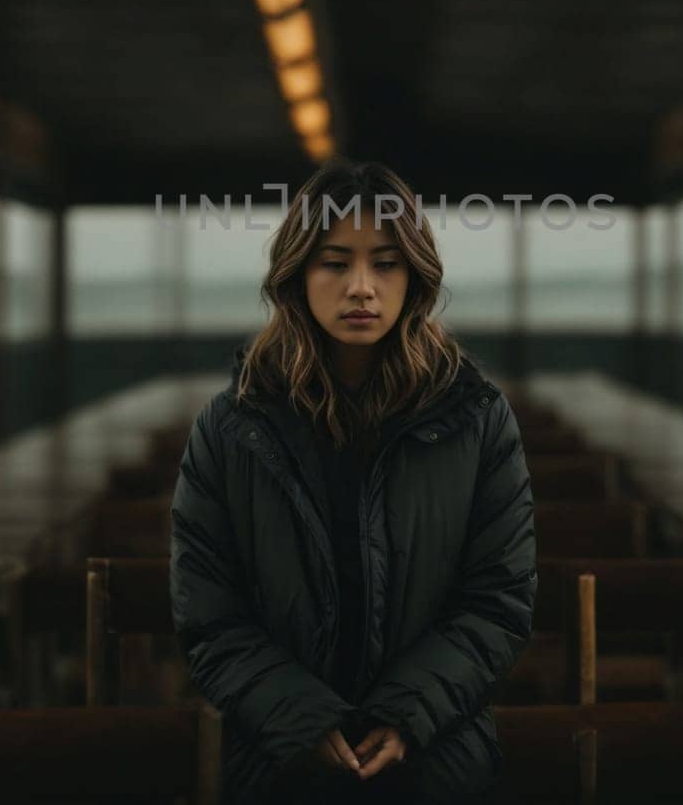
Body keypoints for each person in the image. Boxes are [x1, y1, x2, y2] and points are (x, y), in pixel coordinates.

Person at [169, 160, 537, 803]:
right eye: (335, 263)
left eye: (386, 263)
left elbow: (498, 601)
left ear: (415, 275)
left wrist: (407, 716)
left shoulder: (478, 418)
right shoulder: (230, 428)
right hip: (274, 747)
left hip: (437, 742)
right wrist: (301, 720)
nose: (361, 288)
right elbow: (209, 615)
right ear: (297, 274)